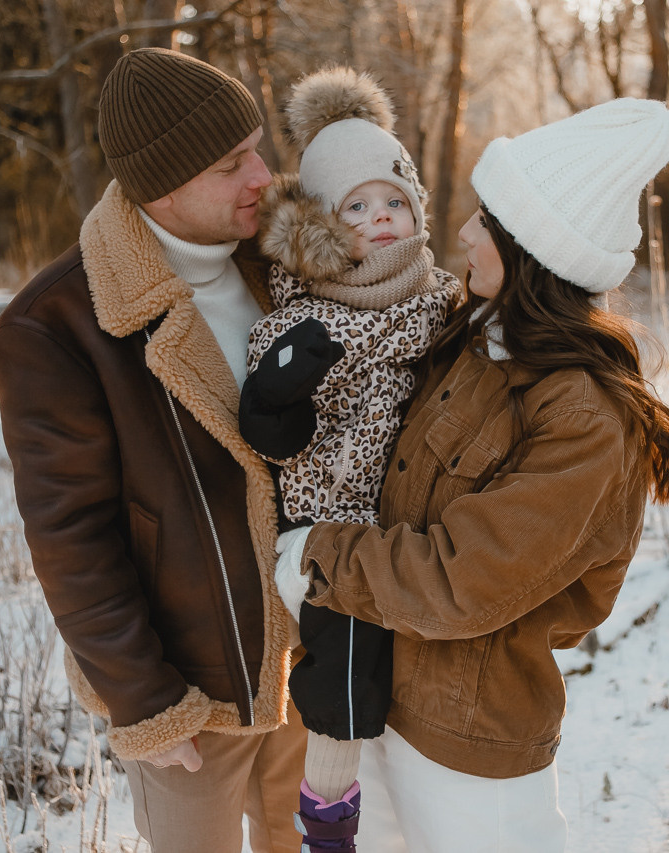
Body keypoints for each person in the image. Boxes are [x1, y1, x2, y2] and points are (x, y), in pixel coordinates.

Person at [271, 98, 669, 851]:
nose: (462, 231)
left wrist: (315, 554)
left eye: (488, 220)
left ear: (533, 249)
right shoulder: (466, 339)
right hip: (387, 709)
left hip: (471, 755)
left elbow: (465, 578)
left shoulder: (584, 417)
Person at [0, 48, 306, 853]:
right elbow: (71, 536)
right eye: (231, 164)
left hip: (310, 659)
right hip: (190, 690)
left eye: (257, 149)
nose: (262, 176)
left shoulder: (283, 263)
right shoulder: (55, 325)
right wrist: (147, 699)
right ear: (163, 186)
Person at [236, 67, 463, 851]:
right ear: (325, 230)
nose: (381, 219)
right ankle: (327, 820)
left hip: (409, 519)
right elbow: (274, 434)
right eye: (356, 208)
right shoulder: (304, 320)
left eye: (392, 200)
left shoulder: (441, 303)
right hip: (326, 529)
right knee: (346, 667)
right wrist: (281, 393)